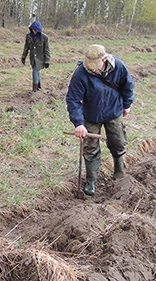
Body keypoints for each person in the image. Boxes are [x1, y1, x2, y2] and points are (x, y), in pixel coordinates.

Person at [66, 44, 135, 196]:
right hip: (91, 115)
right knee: (90, 149)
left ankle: (119, 171)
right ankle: (91, 180)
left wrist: (127, 104)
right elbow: (73, 99)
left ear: (105, 59)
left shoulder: (119, 67)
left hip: (114, 111)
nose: (93, 69)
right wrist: (78, 123)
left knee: (118, 142)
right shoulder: (81, 73)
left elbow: (128, 86)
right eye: (90, 66)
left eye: (96, 66)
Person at [21, 20, 50, 94]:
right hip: (33, 59)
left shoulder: (44, 38)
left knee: (35, 72)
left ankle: (34, 90)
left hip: (40, 59)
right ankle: (39, 88)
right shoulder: (29, 36)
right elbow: (26, 47)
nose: (34, 31)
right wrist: (23, 57)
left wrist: (47, 61)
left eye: (36, 29)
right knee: (37, 73)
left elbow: (47, 50)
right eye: (33, 29)